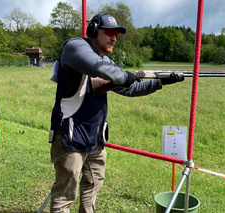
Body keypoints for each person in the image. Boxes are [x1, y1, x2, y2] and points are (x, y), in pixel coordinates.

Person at [48, 13, 184, 213]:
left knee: (92, 187)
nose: (114, 38)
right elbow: (105, 70)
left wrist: (160, 81)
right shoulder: (76, 47)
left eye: (117, 34)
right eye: (110, 32)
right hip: (69, 136)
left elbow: (130, 88)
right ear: (94, 30)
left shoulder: (105, 62)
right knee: (65, 196)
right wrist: (125, 76)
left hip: (94, 137)